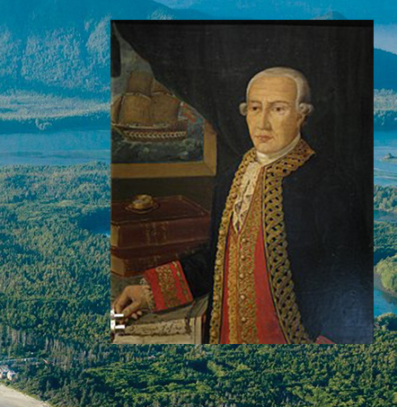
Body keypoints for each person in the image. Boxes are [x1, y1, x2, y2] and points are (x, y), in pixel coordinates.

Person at [112, 67, 363, 344]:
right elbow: (215, 262)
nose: (263, 123)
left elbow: (349, 282)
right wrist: (148, 292)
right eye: (255, 108)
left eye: (277, 109)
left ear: (301, 114)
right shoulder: (232, 178)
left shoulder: (329, 184)